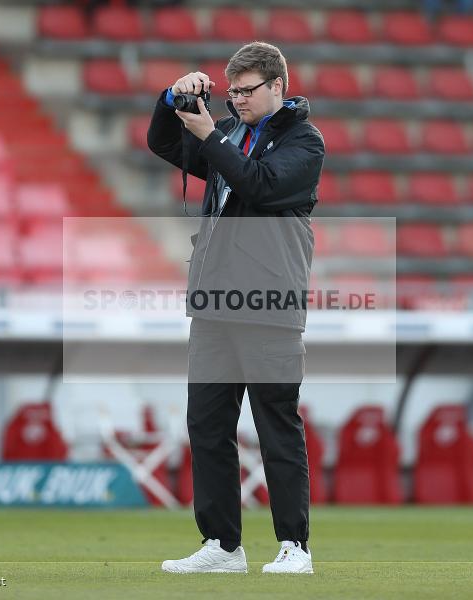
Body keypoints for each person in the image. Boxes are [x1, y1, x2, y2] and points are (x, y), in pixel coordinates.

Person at [147, 41, 324, 574]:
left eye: (248, 91)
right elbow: (161, 141)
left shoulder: (305, 143)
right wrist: (171, 97)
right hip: (215, 303)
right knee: (207, 427)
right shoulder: (229, 135)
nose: (238, 100)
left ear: (278, 86)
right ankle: (223, 546)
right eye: (233, 91)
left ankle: (296, 546)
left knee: (276, 425)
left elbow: (259, 185)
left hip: (270, 304)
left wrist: (211, 135)